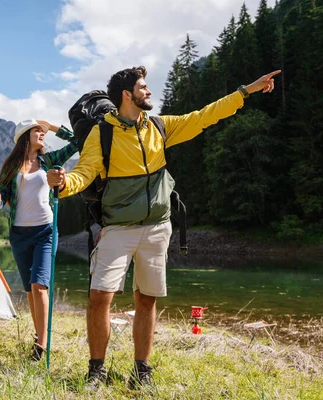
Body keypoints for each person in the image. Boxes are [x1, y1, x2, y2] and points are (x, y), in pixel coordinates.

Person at [47, 67, 280, 388]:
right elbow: (83, 174)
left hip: (157, 229)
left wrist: (246, 91)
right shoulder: (101, 135)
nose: (149, 91)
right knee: (99, 297)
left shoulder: (159, 126)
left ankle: (141, 372)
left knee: (146, 299)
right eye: (143, 87)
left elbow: (204, 116)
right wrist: (62, 184)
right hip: (117, 228)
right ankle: (96, 371)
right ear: (127, 95)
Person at [0, 119, 78, 361]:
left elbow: (79, 141)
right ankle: (39, 337)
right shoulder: (12, 166)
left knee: (40, 286)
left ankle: (42, 345)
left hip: (45, 232)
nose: (42, 134)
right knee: (30, 289)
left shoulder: (49, 160)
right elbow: (2, 191)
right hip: (18, 235)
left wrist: (54, 127)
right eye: (37, 130)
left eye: (42, 131)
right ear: (25, 136)